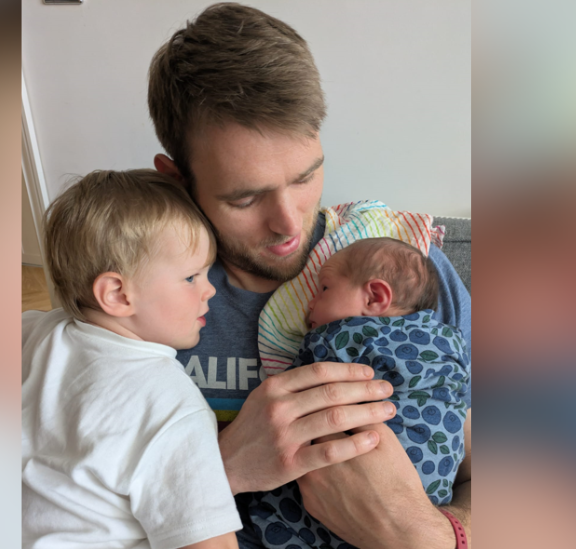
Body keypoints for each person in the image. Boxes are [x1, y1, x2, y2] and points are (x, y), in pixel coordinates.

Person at [147, 4, 472, 548]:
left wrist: (427, 534)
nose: (288, 224)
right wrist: (222, 468)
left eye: (306, 176)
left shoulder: (406, 273)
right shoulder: (142, 298)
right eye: (245, 197)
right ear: (178, 180)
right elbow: (76, 501)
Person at [21, 170, 242, 549]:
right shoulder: (173, 408)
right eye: (191, 277)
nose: (210, 290)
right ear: (118, 294)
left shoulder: (36, 332)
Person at [249, 238, 470, 547]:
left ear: (375, 297)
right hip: (433, 496)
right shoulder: (449, 346)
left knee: (266, 513)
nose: (310, 303)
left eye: (324, 289)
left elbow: (286, 409)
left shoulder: (338, 340)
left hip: (340, 511)